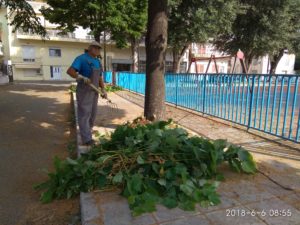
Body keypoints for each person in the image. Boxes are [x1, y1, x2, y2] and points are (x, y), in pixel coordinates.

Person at [67, 41, 107, 146]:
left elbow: (99, 77)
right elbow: (70, 71)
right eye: (96, 48)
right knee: (84, 114)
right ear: (90, 48)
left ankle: (87, 132)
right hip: (84, 91)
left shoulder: (97, 61)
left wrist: (103, 89)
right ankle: (86, 139)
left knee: (92, 114)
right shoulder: (81, 58)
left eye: (99, 49)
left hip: (94, 91)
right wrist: (80, 77)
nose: (98, 50)